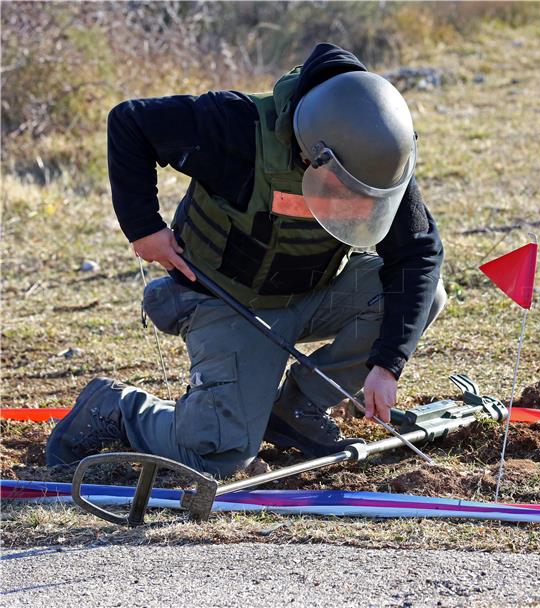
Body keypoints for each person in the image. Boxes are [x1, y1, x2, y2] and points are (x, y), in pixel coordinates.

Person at [45, 43, 446, 477]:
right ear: (316, 148)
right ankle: (120, 408)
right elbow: (129, 122)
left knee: (424, 295)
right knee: (216, 455)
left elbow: (418, 254)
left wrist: (387, 364)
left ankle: (298, 408)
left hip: (314, 292)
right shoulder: (233, 125)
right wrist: (143, 226)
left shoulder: (373, 156)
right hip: (226, 300)